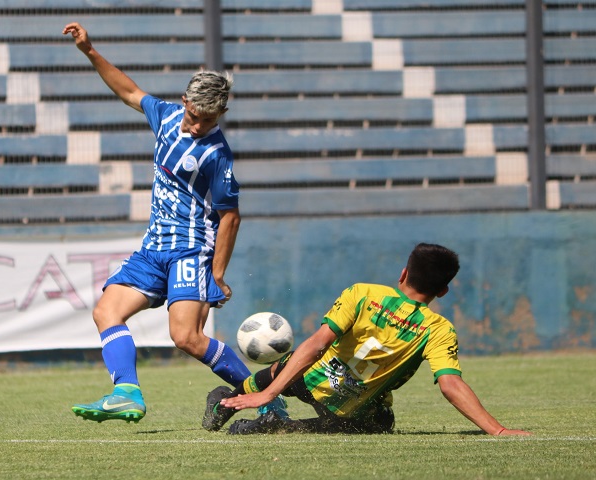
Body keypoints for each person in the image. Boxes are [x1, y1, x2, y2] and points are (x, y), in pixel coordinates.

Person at [62, 22, 287, 424]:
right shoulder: (165, 117)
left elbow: (230, 217)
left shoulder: (217, 155)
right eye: (194, 115)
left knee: (187, 338)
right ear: (184, 101)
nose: (197, 125)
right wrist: (89, 50)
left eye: (208, 119)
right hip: (153, 249)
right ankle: (126, 392)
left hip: (190, 249)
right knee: (105, 312)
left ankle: (268, 401)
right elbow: (129, 91)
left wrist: (217, 274)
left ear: (222, 114)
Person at [203, 243, 532, 436]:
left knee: (286, 367)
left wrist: (270, 391)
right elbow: (450, 385)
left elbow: (316, 344)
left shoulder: (363, 294)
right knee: (380, 421)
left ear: (403, 273)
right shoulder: (438, 328)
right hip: (349, 407)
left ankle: (227, 400)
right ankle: (282, 426)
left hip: (307, 380)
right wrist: (499, 431)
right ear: (443, 290)